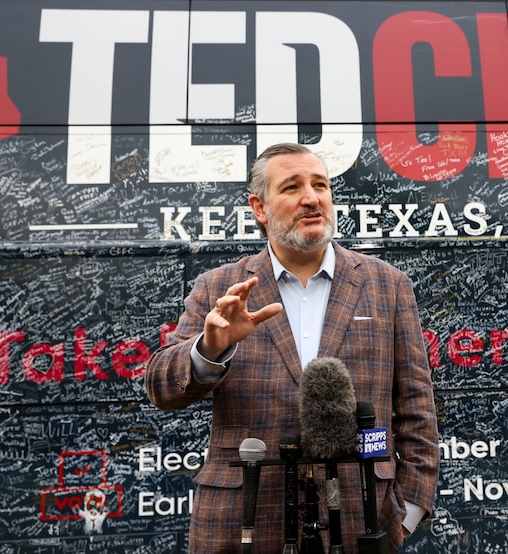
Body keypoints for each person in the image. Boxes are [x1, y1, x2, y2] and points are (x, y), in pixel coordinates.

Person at [145, 142, 440, 553]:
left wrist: (407, 510)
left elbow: (416, 407)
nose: (311, 197)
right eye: (291, 187)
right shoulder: (219, 287)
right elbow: (161, 387)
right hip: (242, 521)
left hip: (364, 517)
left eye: (320, 185)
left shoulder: (387, 285)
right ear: (260, 208)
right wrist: (209, 349)